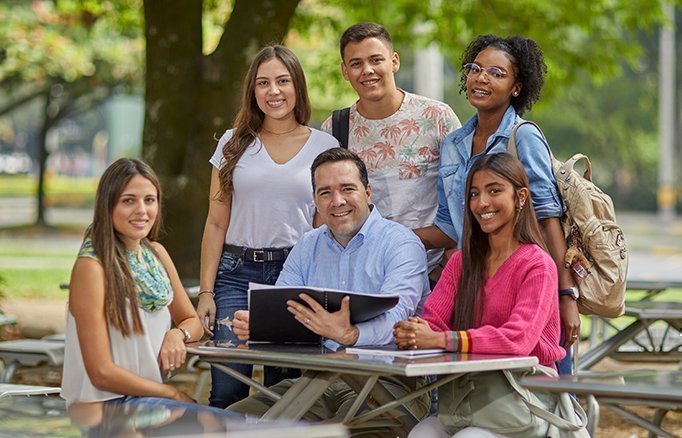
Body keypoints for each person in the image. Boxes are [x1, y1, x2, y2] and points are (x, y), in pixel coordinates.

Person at [229, 148, 431, 435]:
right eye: (325, 192)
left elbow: (399, 320)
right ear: (315, 200)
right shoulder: (307, 245)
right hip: (315, 379)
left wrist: (351, 335)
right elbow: (284, 308)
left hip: (389, 381)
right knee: (226, 425)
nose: (337, 201)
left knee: (349, 433)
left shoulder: (401, 244)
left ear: (368, 192)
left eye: (347, 189)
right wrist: (260, 325)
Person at [414, 35, 580, 373]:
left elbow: (548, 218)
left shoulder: (523, 137)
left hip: (528, 279)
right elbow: (448, 224)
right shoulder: (453, 143)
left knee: (546, 373)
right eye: (475, 69)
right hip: (476, 275)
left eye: (496, 73)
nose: (482, 78)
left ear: (516, 87)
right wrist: (388, 236)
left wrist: (565, 295)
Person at [196, 44, 338, 408]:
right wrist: (207, 293)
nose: (273, 91)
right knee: (227, 388)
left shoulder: (324, 146)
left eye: (282, 81)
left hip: (294, 273)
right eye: (263, 83)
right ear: (253, 91)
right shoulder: (232, 144)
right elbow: (215, 222)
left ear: (297, 87)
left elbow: (326, 229)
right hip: (235, 273)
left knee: (285, 391)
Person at [395, 153, 565, 437]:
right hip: (466, 397)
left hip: (525, 399)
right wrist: (413, 332)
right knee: (420, 433)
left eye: (494, 190)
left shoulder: (538, 264)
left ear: (520, 196)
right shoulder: (462, 262)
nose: (482, 203)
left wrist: (440, 339)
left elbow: (517, 340)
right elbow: (433, 322)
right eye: (474, 193)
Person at [61, 158, 230, 419]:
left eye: (149, 200)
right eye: (129, 200)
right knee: (223, 425)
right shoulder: (92, 266)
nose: (142, 210)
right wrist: (171, 394)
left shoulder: (155, 254)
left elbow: (190, 320)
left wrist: (178, 335)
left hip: (148, 400)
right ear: (108, 205)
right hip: (107, 408)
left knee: (236, 424)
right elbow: (101, 372)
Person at [320, 22, 461, 285]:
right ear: (344, 71)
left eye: (376, 60)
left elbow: (464, 198)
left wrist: (445, 266)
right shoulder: (335, 129)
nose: (367, 71)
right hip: (362, 274)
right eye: (356, 63)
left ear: (394, 61)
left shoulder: (436, 117)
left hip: (430, 272)